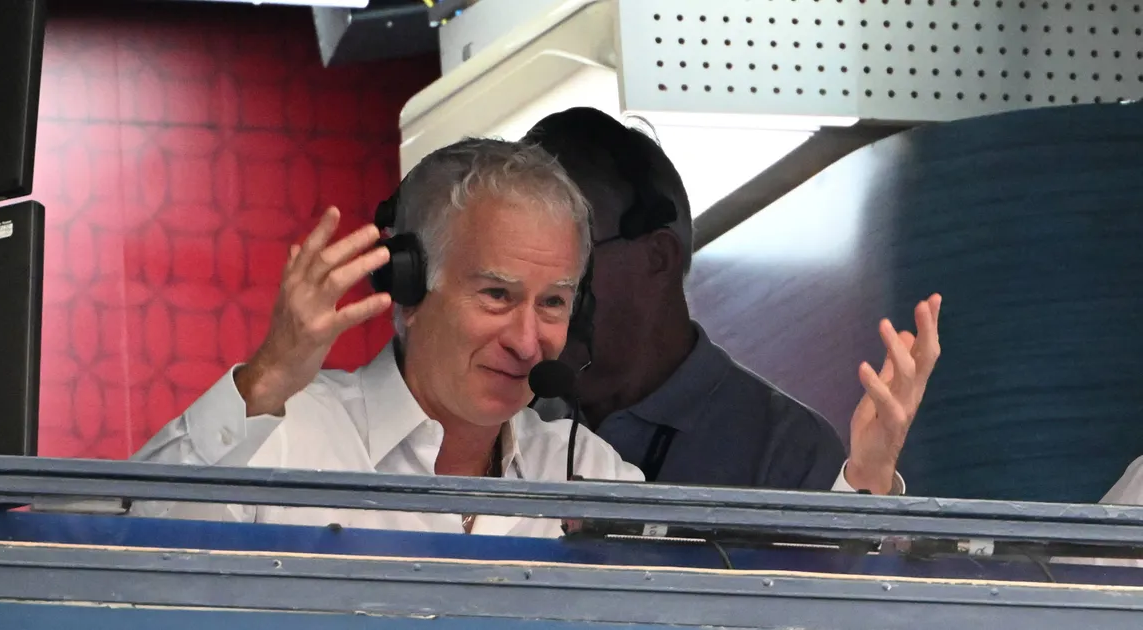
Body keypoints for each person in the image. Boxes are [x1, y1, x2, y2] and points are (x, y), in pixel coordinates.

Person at [128, 137, 643, 537]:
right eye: (496, 294)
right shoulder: (282, 438)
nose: (527, 344)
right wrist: (266, 380)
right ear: (408, 288)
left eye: (552, 302)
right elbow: (122, 551)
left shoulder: (587, 471)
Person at [526, 108, 942, 495]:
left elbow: (835, 554)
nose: (546, 294)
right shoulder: (509, 416)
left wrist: (869, 480)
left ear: (658, 258)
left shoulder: (786, 450)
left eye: (574, 256)